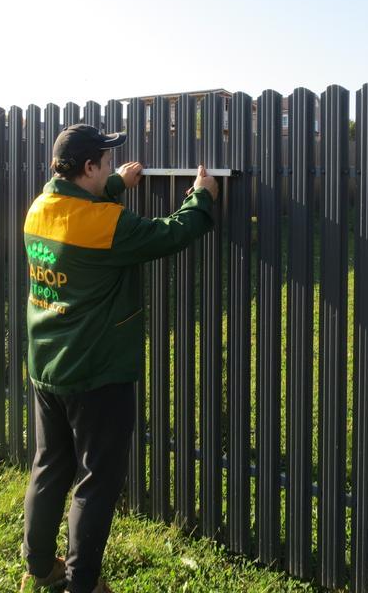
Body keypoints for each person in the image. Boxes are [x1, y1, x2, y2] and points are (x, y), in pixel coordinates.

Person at [19, 123, 218, 593]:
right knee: (97, 480)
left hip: (47, 365)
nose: (110, 166)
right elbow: (169, 234)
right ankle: (83, 583)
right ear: (88, 167)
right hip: (96, 372)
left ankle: (40, 567)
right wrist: (202, 197)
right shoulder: (106, 226)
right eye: (105, 162)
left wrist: (114, 183)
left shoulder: (40, 209)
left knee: (50, 466)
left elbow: (82, 210)